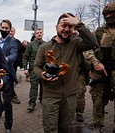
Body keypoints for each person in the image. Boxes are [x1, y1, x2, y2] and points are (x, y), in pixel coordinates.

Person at [33, 13, 97, 133]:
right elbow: (36, 67)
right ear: (56, 26)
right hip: (50, 95)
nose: (66, 29)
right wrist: (42, 74)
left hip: (70, 96)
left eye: (70, 26)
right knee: (50, 129)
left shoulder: (76, 44)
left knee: (65, 129)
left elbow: (93, 43)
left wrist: (78, 24)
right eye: (63, 25)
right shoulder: (45, 47)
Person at [83, 2, 115, 132]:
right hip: (100, 72)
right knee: (97, 100)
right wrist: (95, 62)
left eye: (111, 13)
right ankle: (97, 126)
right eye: (106, 14)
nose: (108, 16)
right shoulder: (99, 32)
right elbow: (87, 49)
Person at [0, 19, 17, 133]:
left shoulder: (12, 42)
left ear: (9, 30)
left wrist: (5, 59)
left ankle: (8, 125)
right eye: (2, 28)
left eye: (6, 28)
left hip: (7, 74)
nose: (4, 30)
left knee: (7, 101)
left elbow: (14, 55)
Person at [22, 28, 45, 111]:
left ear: (43, 34)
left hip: (43, 69)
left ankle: (42, 98)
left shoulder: (46, 45)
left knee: (44, 86)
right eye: (37, 33)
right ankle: (32, 103)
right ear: (35, 34)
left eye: (40, 33)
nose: (39, 34)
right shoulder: (31, 45)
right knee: (34, 86)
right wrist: (25, 68)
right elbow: (25, 57)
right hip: (34, 69)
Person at [9, 27, 22, 104]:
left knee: (11, 80)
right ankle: (12, 95)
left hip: (14, 65)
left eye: (12, 31)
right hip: (5, 64)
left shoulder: (17, 42)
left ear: (14, 32)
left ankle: (12, 95)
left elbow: (20, 52)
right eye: (9, 31)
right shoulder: (2, 41)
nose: (10, 32)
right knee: (8, 80)